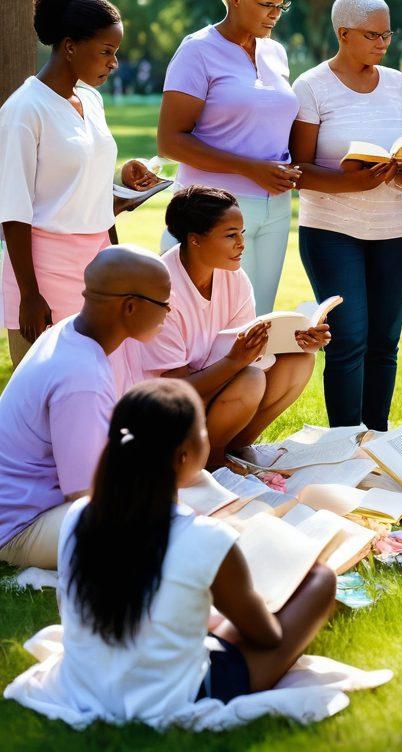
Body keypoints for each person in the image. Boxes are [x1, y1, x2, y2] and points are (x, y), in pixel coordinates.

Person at [5, 379, 337, 726]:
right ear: (183, 456)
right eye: (203, 431)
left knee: (211, 613)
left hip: (86, 684)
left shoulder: (77, 516)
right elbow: (266, 636)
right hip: (173, 696)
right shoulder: (204, 538)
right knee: (320, 579)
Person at [0, 0, 158, 368]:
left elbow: (83, 176)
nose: (113, 63)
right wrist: (29, 295)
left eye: (115, 53)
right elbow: (13, 209)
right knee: (53, 390)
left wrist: (123, 179)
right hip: (45, 269)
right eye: (106, 51)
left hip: (99, 262)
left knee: (109, 383)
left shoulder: (91, 99)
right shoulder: (25, 109)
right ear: (69, 46)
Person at [290, 0, 402, 430]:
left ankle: (378, 438)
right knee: (348, 338)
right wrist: (349, 182)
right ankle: (346, 442)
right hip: (332, 229)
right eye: (373, 34)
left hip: (397, 228)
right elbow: (299, 167)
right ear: (343, 33)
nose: (383, 42)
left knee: (385, 341)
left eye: (388, 33)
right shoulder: (311, 87)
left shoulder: (401, 87)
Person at [126, 187, 329, 468]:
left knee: (300, 359)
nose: (242, 244)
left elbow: (244, 350)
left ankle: (232, 449)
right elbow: (175, 392)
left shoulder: (235, 278)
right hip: (162, 413)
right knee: (250, 379)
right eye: (231, 235)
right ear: (195, 239)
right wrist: (236, 361)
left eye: (242, 233)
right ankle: (210, 460)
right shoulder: (161, 290)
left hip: (213, 389)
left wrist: (296, 338)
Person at [0, 247, 171, 569]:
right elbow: (82, 496)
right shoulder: (81, 376)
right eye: (164, 303)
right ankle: (39, 578)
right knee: (161, 528)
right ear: (130, 307)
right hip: (18, 527)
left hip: (30, 505)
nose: (169, 311)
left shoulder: (70, 332)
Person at [156, 0, 303, 316]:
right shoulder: (197, 51)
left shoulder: (276, 53)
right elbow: (170, 141)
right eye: (267, 4)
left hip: (275, 209)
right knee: (208, 322)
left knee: (258, 319)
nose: (275, 15)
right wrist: (250, 168)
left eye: (280, 6)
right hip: (214, 213)